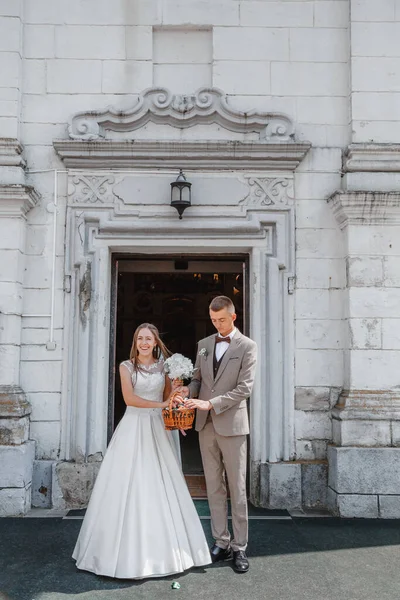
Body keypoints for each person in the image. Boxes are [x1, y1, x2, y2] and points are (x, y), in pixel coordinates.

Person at [72, 323, 211, 579]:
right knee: (130, 481)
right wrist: (160, 404)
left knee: (160, 481)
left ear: (156, 342)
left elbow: (172, 396)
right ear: (135, 342)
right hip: (134, 426)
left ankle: (166, 551)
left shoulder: (166, 367)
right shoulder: (126, 367)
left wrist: (175, 411)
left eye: (149, 339)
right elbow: (129, 399)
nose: (144, 343)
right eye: (140, 339)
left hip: (159, 427)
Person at [182, 296, 257, 574]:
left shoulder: (247, 346)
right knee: (213, 485)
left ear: (233, 317)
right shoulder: (203, 345)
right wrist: (187, 392)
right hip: (206, 425)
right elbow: (199, 379)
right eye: (213, 320)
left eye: (222, 320)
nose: (218, 324)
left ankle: (240, 547)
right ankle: (221, 541)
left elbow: (245, 388)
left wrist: (210, 403)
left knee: (236, 487)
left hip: (233, 424)